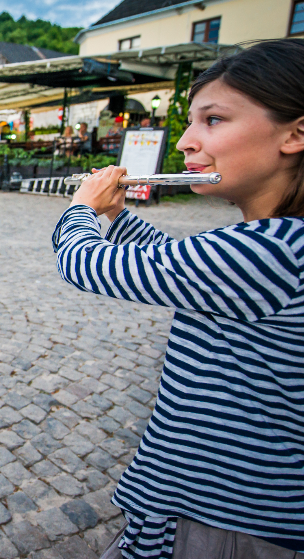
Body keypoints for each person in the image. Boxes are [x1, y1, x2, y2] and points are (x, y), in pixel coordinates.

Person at [52, 39, 304, 559]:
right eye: (191, 122)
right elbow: (179, 262)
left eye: (213, 120)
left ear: (296, 133)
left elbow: (83, 263)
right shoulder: (276, 243)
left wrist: (80, 209)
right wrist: (117, 217)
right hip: (218, 506)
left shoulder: (273, 250)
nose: (187, 141)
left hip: (226, 520)